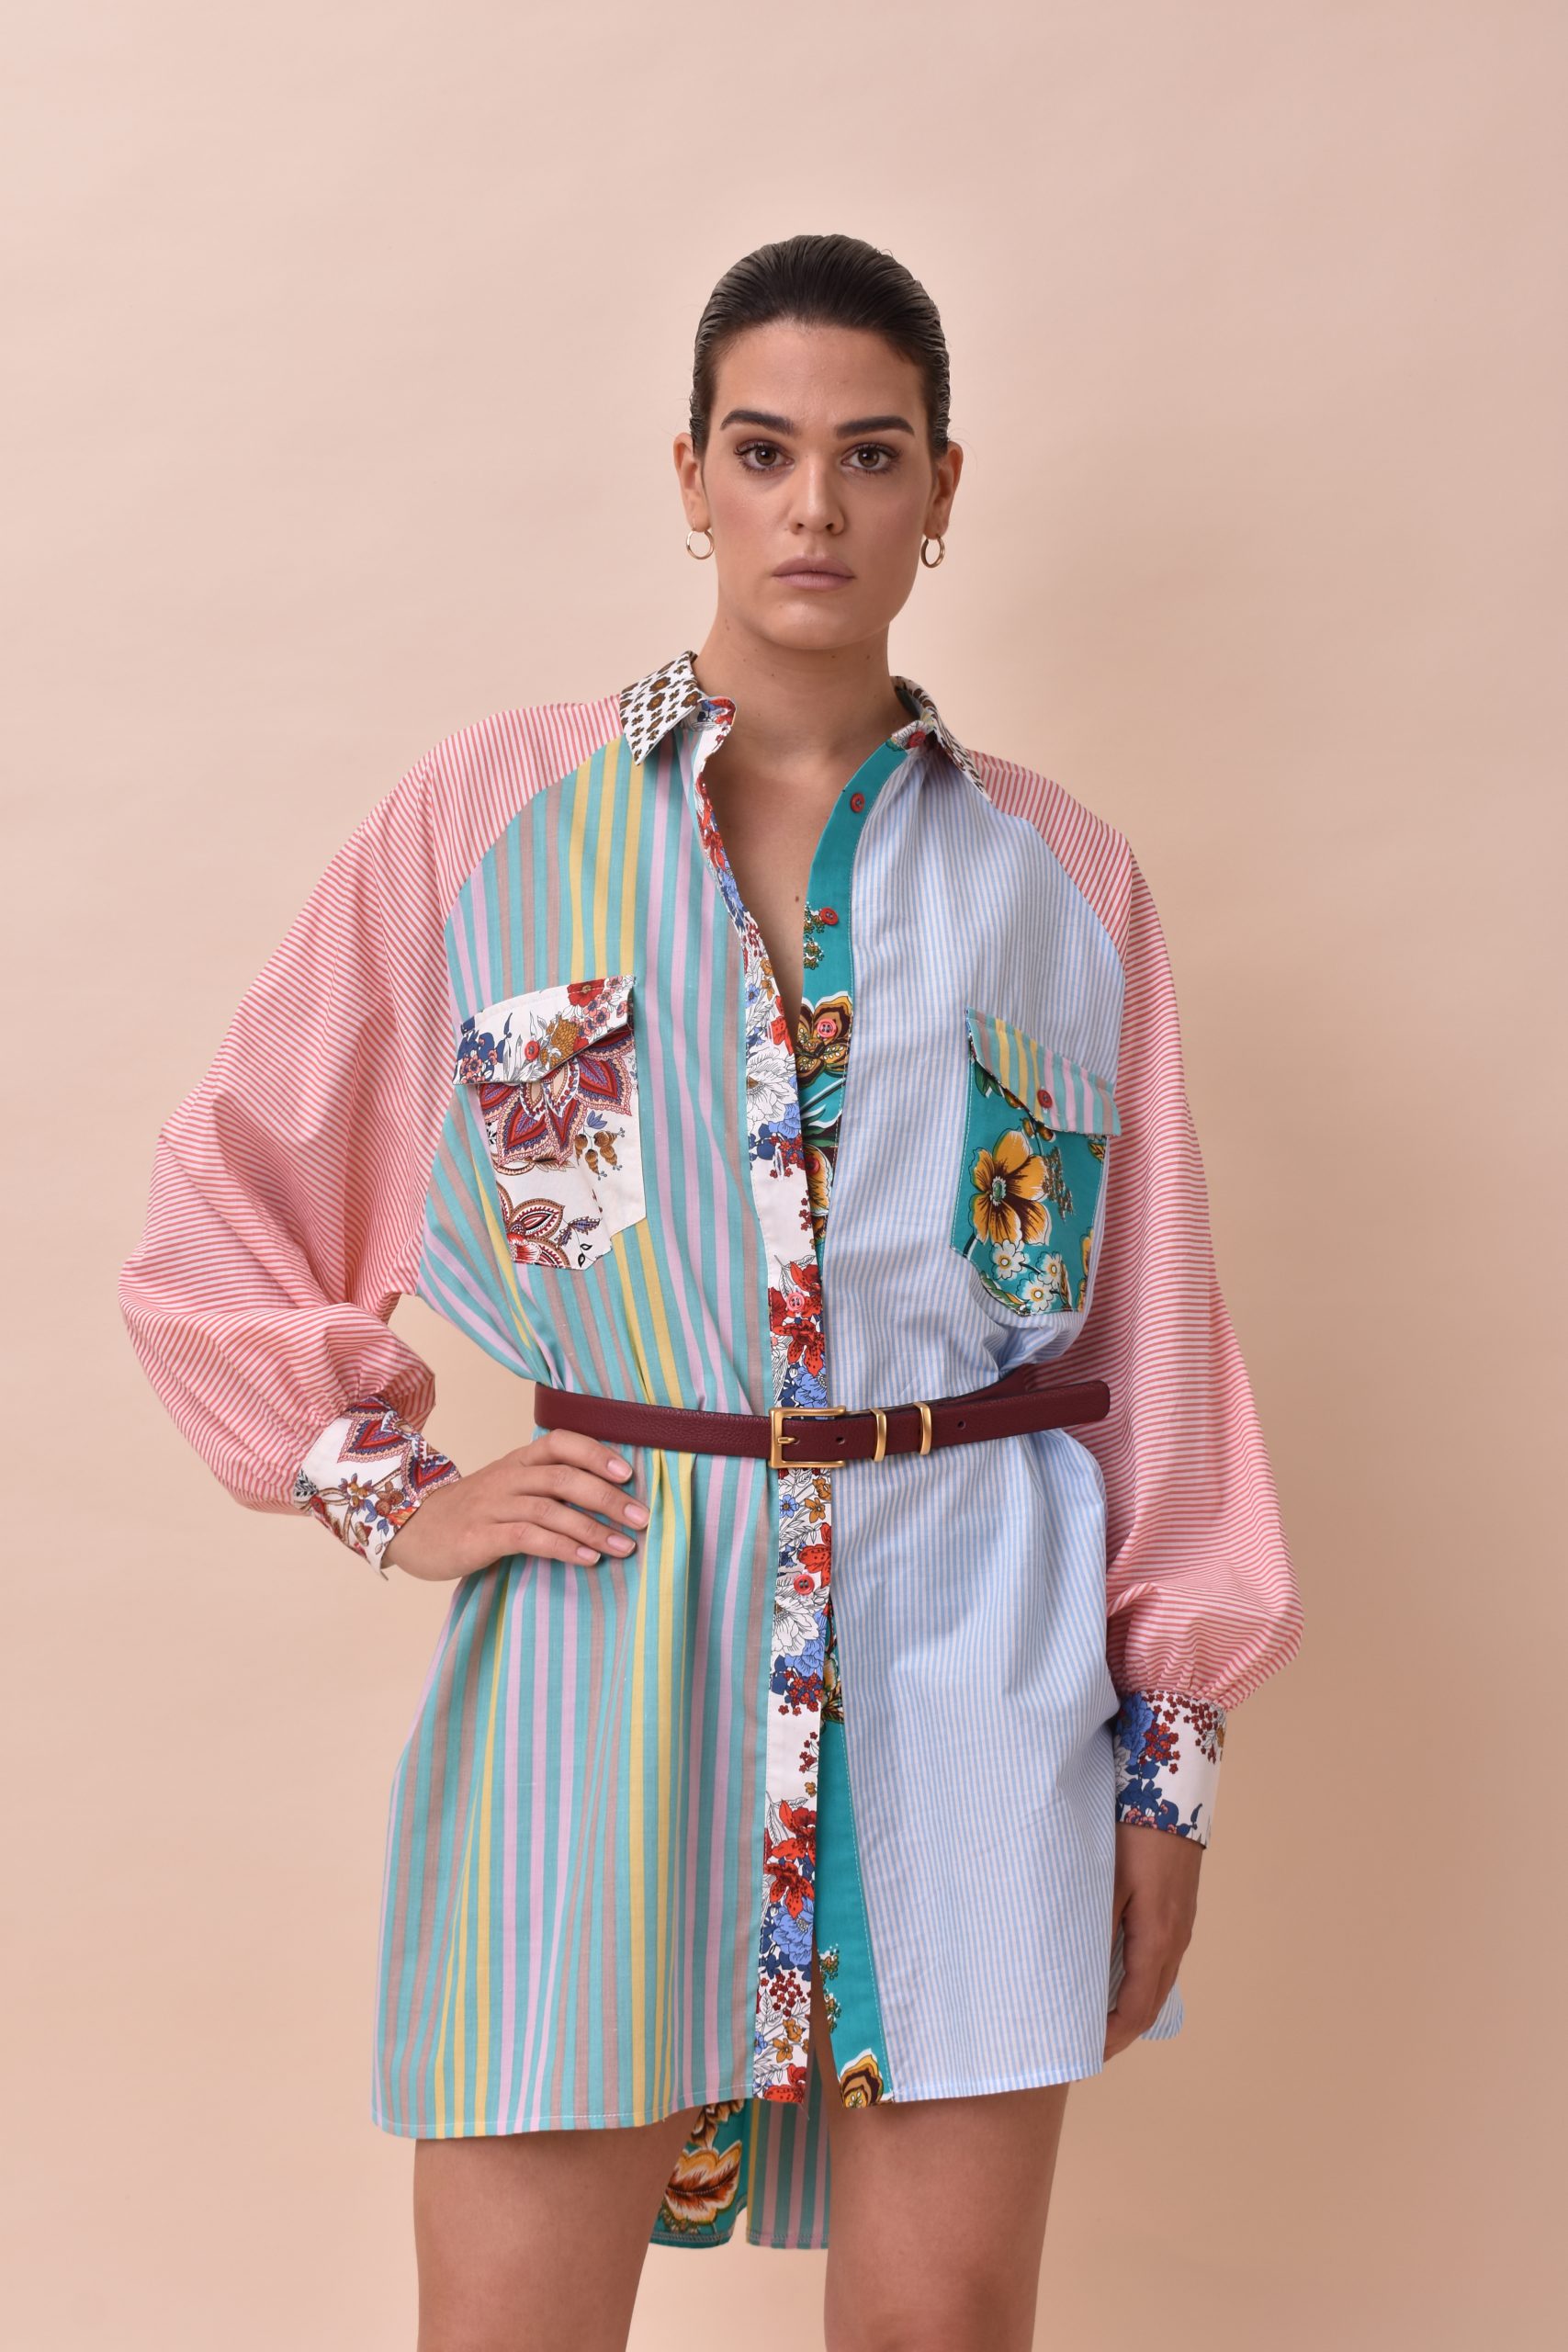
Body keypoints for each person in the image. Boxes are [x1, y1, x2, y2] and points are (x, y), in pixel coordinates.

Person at [118, 232, 1303, 2352]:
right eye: (762, 451)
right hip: (602, 1645)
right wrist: (386, 1487)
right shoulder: (487, 828)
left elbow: (1155, 1343)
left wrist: (1166, 1760)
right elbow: (225, 1192)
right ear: (688, 476)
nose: (813, 505)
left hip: (975, 1667)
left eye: (870, 454)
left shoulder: (1061, 882)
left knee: (942, 2325)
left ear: (943, 488)